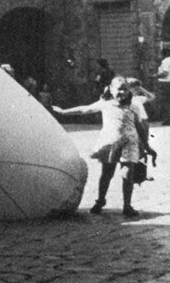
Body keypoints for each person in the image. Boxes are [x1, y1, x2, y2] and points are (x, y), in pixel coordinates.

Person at [54, 76, 147, 216]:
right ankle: (100, 201)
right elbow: (84, 109)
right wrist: (63, 112)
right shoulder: (105, 104)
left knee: (128, 174)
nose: (122, 92)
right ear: (111, 89)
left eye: (125, 89)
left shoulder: (133, 106)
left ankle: (127, 205)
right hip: (110, 144)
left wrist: (146, 145)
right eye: (119, 89)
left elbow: (140, 126)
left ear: (129, 91)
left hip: (129, 144)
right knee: (107, 173)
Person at [152, 49, 170, 123]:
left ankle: (167, 119)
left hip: (165, 83)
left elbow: (165, 73)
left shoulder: (166, 61)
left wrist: (155, 75)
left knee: (165, 101)